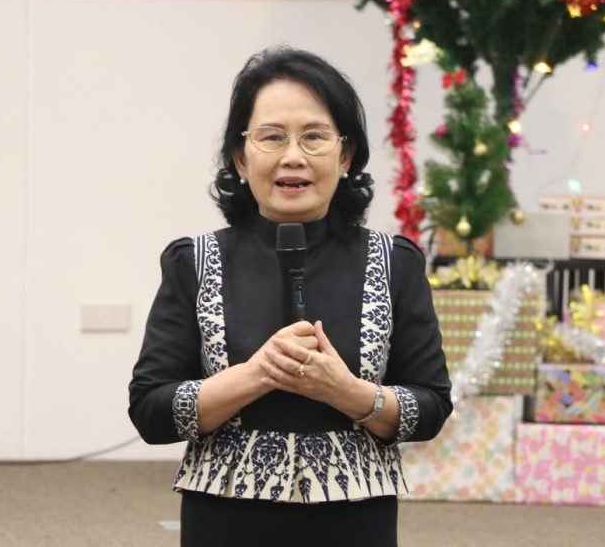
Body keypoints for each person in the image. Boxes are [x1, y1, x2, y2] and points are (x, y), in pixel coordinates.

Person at [128, 46, 452, 547]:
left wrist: (346, 392)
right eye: (272, 137)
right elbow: (151, 411)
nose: (293, 156)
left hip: (355, 520)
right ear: (240, 157)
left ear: (346, 156)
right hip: (226, 517)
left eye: (314, 136)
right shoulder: (193, 261)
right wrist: (256, 374)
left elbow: (431, 406)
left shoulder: (395, 262)